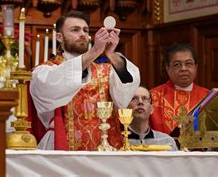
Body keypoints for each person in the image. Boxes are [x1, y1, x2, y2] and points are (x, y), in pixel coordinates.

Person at [30, 11, 140, 150]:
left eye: (85, 30)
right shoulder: (45, 72)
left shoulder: (106, 70)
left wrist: (111, 54)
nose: (82, 34)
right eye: (75, 30)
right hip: (63, 147)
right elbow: (56, 84)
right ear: (59, 37)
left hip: (106, 149)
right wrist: (94, 52)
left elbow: (125, 95)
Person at [150, 43, 210, 135]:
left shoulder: (208, 96)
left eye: (188, 63)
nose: (183, 68)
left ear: (196, 66)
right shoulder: (153, 97)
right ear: (167, 67)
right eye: (177, 64)